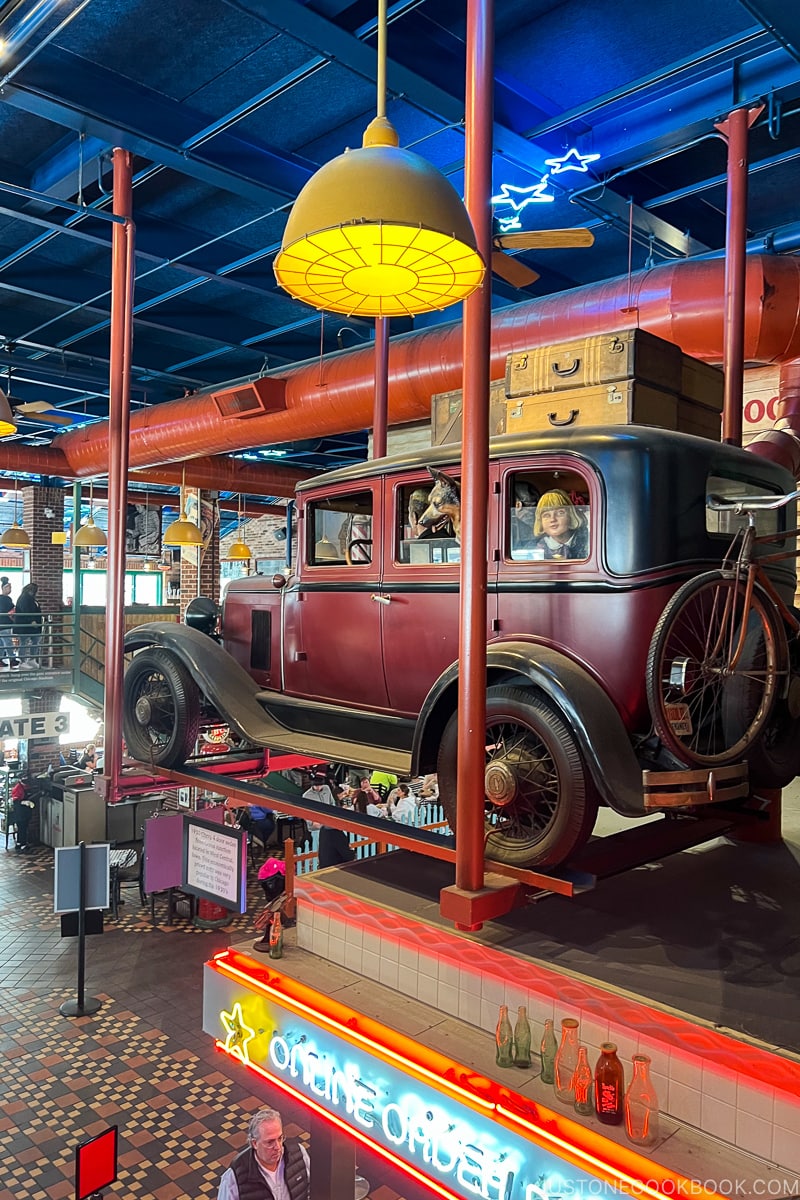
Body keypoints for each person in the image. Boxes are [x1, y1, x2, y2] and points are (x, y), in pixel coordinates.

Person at [217, 1106, 309, 1200]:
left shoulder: (299, 1154)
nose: (278, 1147)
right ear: (255, 1143)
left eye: (280, 1138)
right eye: (270, 1142)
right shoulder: (234, 1176)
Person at [532, 490, 589, 561]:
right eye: (546, 515)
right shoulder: (535, 548)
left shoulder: (588, 541)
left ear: (570, 515)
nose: (552, 519)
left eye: (560, 513)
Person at [14, 582, 43, 667]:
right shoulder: (24, 598)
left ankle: (32, 659)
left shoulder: (31, 599)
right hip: (25, 625)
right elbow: (25, 611)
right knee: (24, 642)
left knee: (35, 641)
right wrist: (32, 620)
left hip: (32, 626)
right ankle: (22, 661)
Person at [11, 779, 35, 853]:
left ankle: (19, 844)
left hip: (25, 812)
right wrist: (24, 802)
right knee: (22, 828)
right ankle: (23, 845)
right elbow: (15, 801)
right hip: (20, 813)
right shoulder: (17, 789)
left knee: (22, 828)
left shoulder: (24, 787)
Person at [0, 577, 18, 667]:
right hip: (5, 624)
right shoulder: (6, 599)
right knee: (8, 643)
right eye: (9, 588)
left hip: (2, 624)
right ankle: (12, 659)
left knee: (2, 643)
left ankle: (0, 660)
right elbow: (10, 610)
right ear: (4, 588)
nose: (10, 590)